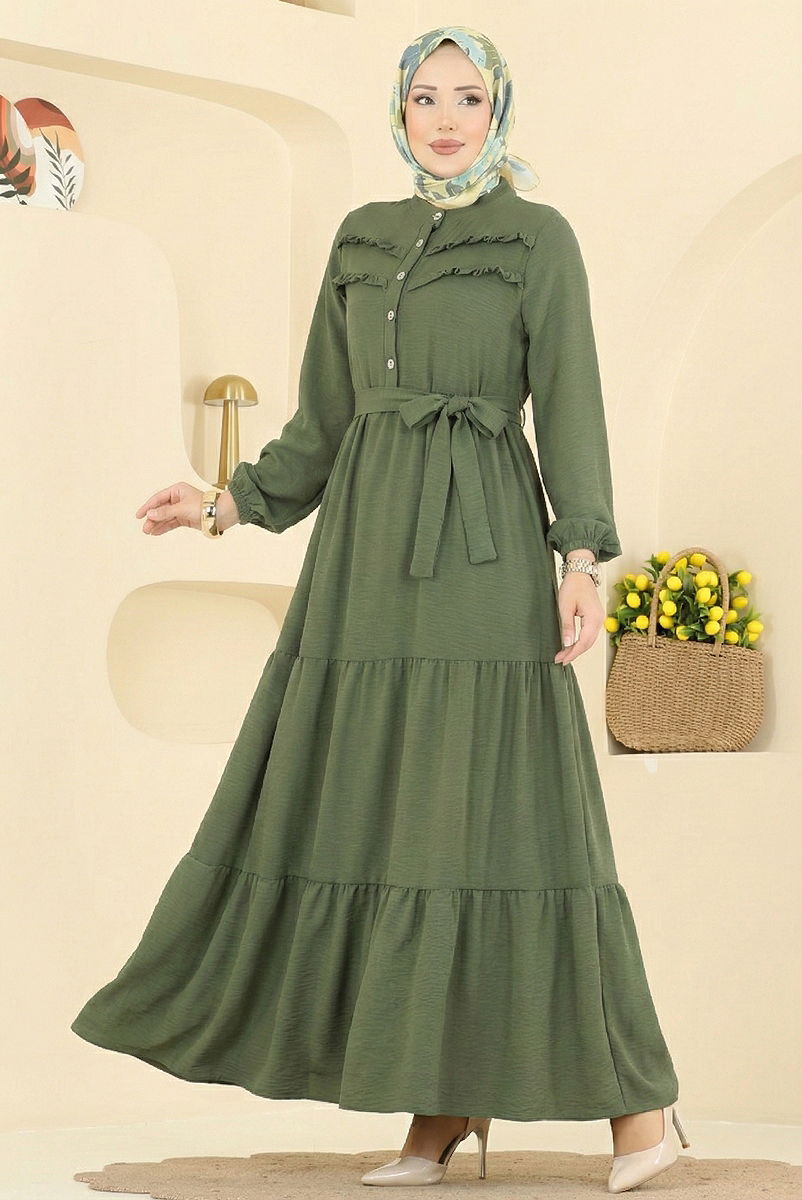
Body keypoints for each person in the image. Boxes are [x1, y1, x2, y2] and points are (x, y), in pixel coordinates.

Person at [70, 25, 689, 1195]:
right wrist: (225, 503)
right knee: (391, 815)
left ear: (498, 110)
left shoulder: (537, 239)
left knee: (515, 822)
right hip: (361, 561)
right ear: (398, 112)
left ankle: (640, 1109)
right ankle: (437, 1105)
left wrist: (578, 559)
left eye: (467, 98)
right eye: (424, 98)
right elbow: (323, 419)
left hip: (481, 550)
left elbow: (572, 403)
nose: (445, 119)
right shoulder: (362, 237)